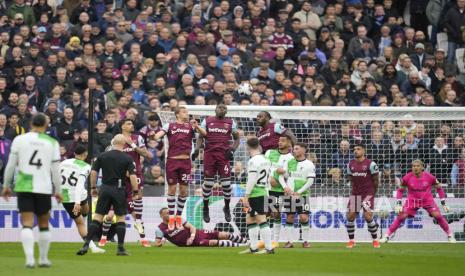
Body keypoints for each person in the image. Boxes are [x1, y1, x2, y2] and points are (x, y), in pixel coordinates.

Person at [1, 113, 62, 268]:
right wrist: (58, 190)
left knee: (27, 223)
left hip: (24, 186)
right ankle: (43, 259)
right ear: (45, 125)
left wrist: (6, 185)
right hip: (44, 187)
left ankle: (29, 259)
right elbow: (56, 170)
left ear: (30, 124)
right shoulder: (52, 143)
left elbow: (10, 165)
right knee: (43, 223)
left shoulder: (20, 140)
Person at [76, 134, 139, 256]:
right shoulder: (127, 158)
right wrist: (135, 191)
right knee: (120, 218)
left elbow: (93, 172)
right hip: (119, 188)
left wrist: (93, 187)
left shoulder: (102, 156)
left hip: (104, 188)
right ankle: (120, 248)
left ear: (113, 143)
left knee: (98, 217)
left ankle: (86, 245)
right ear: (124, 144)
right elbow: (132, 176)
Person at [153, 106, 206, 230]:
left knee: (183, 191)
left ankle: (178, 216)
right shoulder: (169, 126)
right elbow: (156, 137)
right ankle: (171, 217)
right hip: (172, 161)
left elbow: (205, 135)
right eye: (184, 112)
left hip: (185, 162)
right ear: (177, 114)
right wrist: (152, 136)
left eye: (187, 112)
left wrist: (197, 126)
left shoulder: (191, 126)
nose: (186, 113)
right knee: (171, 190)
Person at [380, 160, 456, 243]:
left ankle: (450, 235)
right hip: (412, 201)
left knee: (437, 216)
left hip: (427, 200)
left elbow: (439, 188)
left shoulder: (429, 177)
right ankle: (386, 236)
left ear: (422, 167)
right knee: (401, 216)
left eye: (417, 166)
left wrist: (443, 203)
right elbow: (400, 190)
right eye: (413, 166)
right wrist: (398, 203)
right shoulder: (407, 177)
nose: (415, 168)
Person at [196, 104, 240, 223]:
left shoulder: (231, 123)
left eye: (224, 108)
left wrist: (232, 149)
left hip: (223, 156)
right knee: (208, 184)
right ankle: (205, 208)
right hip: (209, 155)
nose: (222, 109)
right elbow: (200, 136)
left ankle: (226, 207)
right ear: (215, 109)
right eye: (219, 107)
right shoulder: (207, 120)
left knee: (226, 184)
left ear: (226, 111)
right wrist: (196, 149)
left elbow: (237, 139)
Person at [60, 144, 104, 254]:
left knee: (86, 211)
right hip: (72, 197)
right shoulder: (86, 166)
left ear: (75, 153)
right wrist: (77, 202)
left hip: (69, 194)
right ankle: (92, 247)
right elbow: (79, 184)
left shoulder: (64, 162)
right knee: (79, 223)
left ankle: (83, 222)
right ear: (85, 154)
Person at [120, 118, 153, 247]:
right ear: (122, 126)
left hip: (136, 175)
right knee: (114, 210)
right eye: (128, 123)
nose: (131, 125)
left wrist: (132, 145)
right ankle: (104, 237)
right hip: (120, 177)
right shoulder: (116, 140)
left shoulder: (137, 138)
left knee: (137, 203)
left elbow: (148, 155)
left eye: (132, 123)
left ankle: (143, 238)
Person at [240, 137, 273, 254]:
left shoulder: (253, 161)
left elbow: (252, 180)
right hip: (263, 191)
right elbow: (269, 177)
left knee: (261, 219)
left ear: (247, 147)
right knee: (250, 219)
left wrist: (246, 197)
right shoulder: (266, 159)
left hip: (256, 194)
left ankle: (269, 248)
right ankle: (254, 248)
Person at [154, 207, 247, 247]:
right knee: (214, 242)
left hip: (197, 234)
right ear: (161, 216)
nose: (170, 215)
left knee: (224, 234)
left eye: (170, 212)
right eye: (167, 214)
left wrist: (192, 237)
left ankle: (247, 242)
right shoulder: (160, 229)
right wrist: (161, 243)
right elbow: (157, 243)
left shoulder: (177, 219)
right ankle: (241, 245)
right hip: (191, 243)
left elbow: (192, 227)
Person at [345, 144, 380, 249]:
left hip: (368, 194)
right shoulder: (350, 164)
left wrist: (373, 193)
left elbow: (376, 180)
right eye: (354, 149)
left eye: (358, 149)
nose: (356, 151)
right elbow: (351, 179)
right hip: (356, 193)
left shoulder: (371, 164)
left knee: (367, 216)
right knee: (350, 216)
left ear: (364, 151)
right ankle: (351, 241)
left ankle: (375, 240)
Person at [282, 142, 316, 249]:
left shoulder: (309, 164)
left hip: (303, 195)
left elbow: (310, 181)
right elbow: (281, 176)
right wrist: (285, 187)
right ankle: (289, 241)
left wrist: (299, 192)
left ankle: (305, 241)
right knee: (290, 217)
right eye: (294, 149)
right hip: (290, 195)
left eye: (296, 149)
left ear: (303, 150)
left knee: (303, 217)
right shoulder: (289, 162)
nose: (294, 150)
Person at [265, 135, 294, 243]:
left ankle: (284, 241)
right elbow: (264, 168)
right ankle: (273, 240)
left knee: (284, 214)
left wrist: (284, 174)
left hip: (282, 190)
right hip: (269, 189)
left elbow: (290, 176)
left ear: (289, 144)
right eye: (279, 140)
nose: (280, 142)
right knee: (272, 214)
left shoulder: (291, 158)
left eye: (283, 141)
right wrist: (269, 178)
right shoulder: (269, 153)